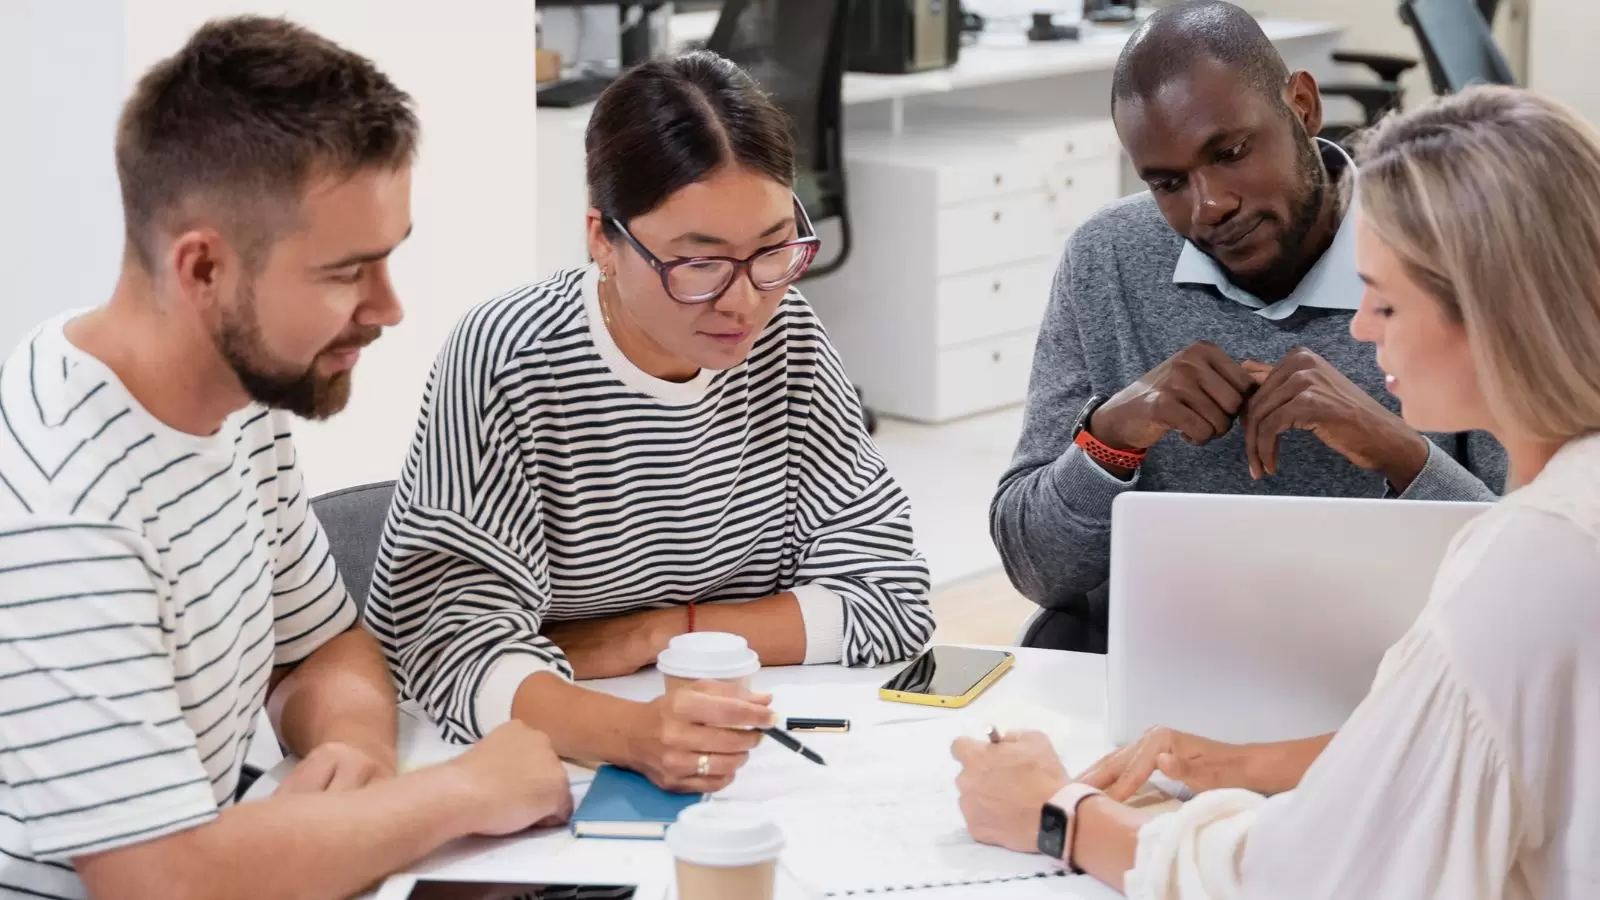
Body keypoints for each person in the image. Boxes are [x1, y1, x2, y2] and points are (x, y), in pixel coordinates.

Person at [955, 84, 1600, 899]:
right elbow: (1458, 736)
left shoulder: (1531, 562)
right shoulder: (1563, 520)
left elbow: (1309, 876)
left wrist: (1059, 814)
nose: (1361, 327)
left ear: (1499, 310)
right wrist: (1107, 436)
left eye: (1388, 299)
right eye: (1166, 180)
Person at [0, 18, 571, 900]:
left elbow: (320, 646)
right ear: (203, 271)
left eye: (389, 259)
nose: (388, 308)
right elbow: (158, 883)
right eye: (349, 272)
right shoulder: (65, 506)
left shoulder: (239, 399)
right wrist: (461, 793)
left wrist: (354, 752)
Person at [365, 52, 933, 794]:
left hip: (732, 740)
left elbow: (891, 597)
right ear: (603, 239)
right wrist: (632, 735)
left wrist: (657, 633)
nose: (743, 303)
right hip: (540, 754)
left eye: (772, 250)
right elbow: (449, 649)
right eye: (698, 265)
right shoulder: (511, 359)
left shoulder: (785, 335)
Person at [991, 0, 1506, 657]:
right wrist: (1110, 439)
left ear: (1303, 106)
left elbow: (1533, 572)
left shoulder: (1449, 256)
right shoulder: (1108, 259)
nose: (1210, 205)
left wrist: (1397, 452)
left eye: (1230, 153)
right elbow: (1036, 569)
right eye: (1168, 182)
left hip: (1395, 689)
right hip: (1161, 682)